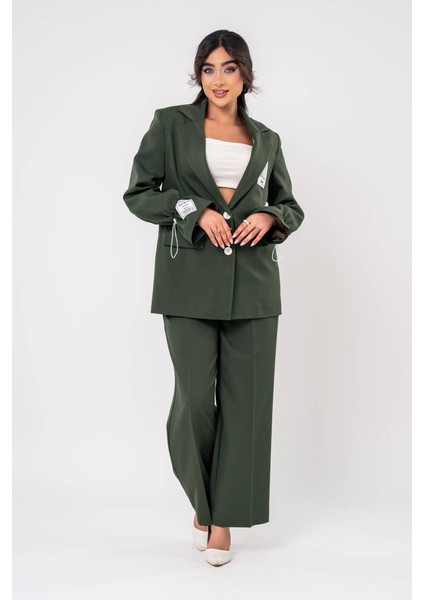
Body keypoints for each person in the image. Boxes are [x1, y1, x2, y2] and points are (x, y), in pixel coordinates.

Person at [122, 29, 305, 567]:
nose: (218, 79)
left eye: (229, 68)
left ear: (245, 74)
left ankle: (221, 519)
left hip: (255, 287)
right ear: (198, 74)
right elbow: (139, 193)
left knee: (247, 406)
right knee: (196, 402)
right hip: (187, 283)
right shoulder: (170, 124)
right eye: (208, 68)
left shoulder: (266, 139)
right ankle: (202, 503)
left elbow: (291, 206)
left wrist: (270, 216)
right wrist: (192, 209)